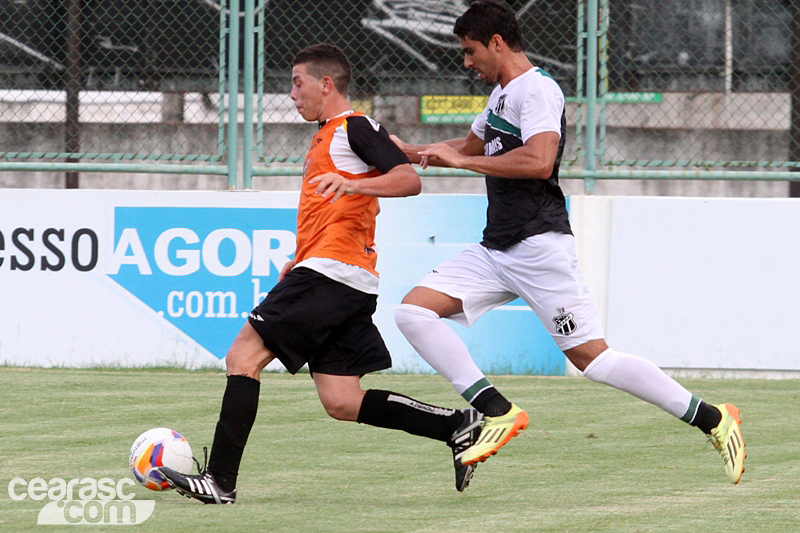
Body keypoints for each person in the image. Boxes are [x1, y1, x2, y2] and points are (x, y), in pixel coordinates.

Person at [391, 0, 746, 483]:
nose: (466, 62)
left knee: (594, 361)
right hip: (496, 249)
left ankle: (713, 418)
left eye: (471, 51)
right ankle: (493, 409)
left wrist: (462, 163)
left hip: (539, 247)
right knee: (412, 311)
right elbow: (462, 148)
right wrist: (399, 151)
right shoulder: (500, 97)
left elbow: (538, 162)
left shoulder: (537, 90)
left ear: (497, 43)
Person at [156, 43, 486, 502]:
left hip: (331, 274)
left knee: (242, 358)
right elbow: (336, 208)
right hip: (340, 275)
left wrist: (351, 184)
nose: (292, 94)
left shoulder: (353, 127)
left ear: (326, 84)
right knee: (342, 401)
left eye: (298, 83)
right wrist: (298, 256)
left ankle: (220, 481)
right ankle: (456, 424)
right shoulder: (331, 134)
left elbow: (410, 180)